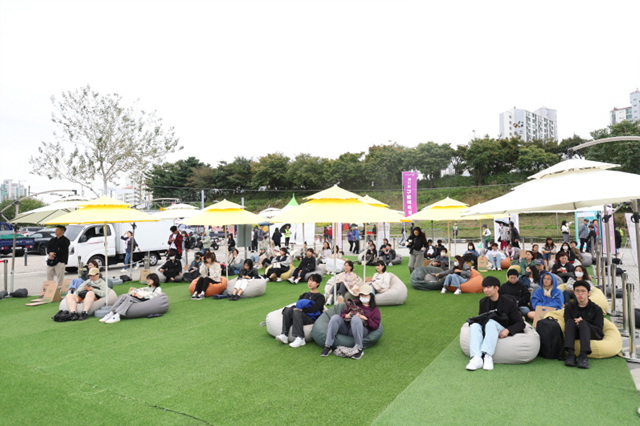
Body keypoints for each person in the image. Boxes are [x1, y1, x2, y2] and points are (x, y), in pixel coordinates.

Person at [466, 276, 525, 371]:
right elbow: (481, 318)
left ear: (496, 288)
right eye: (484, 287)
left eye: (488, 287)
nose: (486, 290)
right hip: (488, 327)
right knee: (474, 325)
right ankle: (477, 357)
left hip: (502, 327)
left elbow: (520, 323)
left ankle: (488, 356)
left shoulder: (509, 303)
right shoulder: (483, 302)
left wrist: (508, 330)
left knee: (491, 323)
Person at [320, 283, 380, 360]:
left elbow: (376, 325)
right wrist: (346, 315)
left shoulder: (374, 309)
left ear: (370, 296)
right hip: (347, 327)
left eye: (365, 295)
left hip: (361, 330)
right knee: (335, 317)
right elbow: (342, 314)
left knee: (356, 319)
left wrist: (364, 318)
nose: (363, 297)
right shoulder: (354, 303)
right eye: (362, 295)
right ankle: (328, 346)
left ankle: (359, 349)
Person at [277, 274, 326, 348]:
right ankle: (284, 335)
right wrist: (293, 309)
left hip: (311, 318)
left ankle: (300, 338)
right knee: (287, 309)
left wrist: (302, 310)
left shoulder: (320, 297)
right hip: (300, 315)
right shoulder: (304, 295)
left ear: (317, 283)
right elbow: (298, 305)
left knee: (297, 312)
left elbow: (315, 308)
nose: (310, 283)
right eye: (309, 280)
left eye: (313, 281)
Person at [563, 280, 604, 369]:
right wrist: (577, 323)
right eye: (577, 291)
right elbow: (567, 323)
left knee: (583, 323)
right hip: (575, 332)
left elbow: (599, 328)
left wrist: (583, 322)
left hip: (592, 333)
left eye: (583, 291)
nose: (580, 293)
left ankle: (583, 355)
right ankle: (571, 354)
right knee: (570, 322)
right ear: (574, 292)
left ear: (588, 293)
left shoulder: (596, 309)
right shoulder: (569, 307)